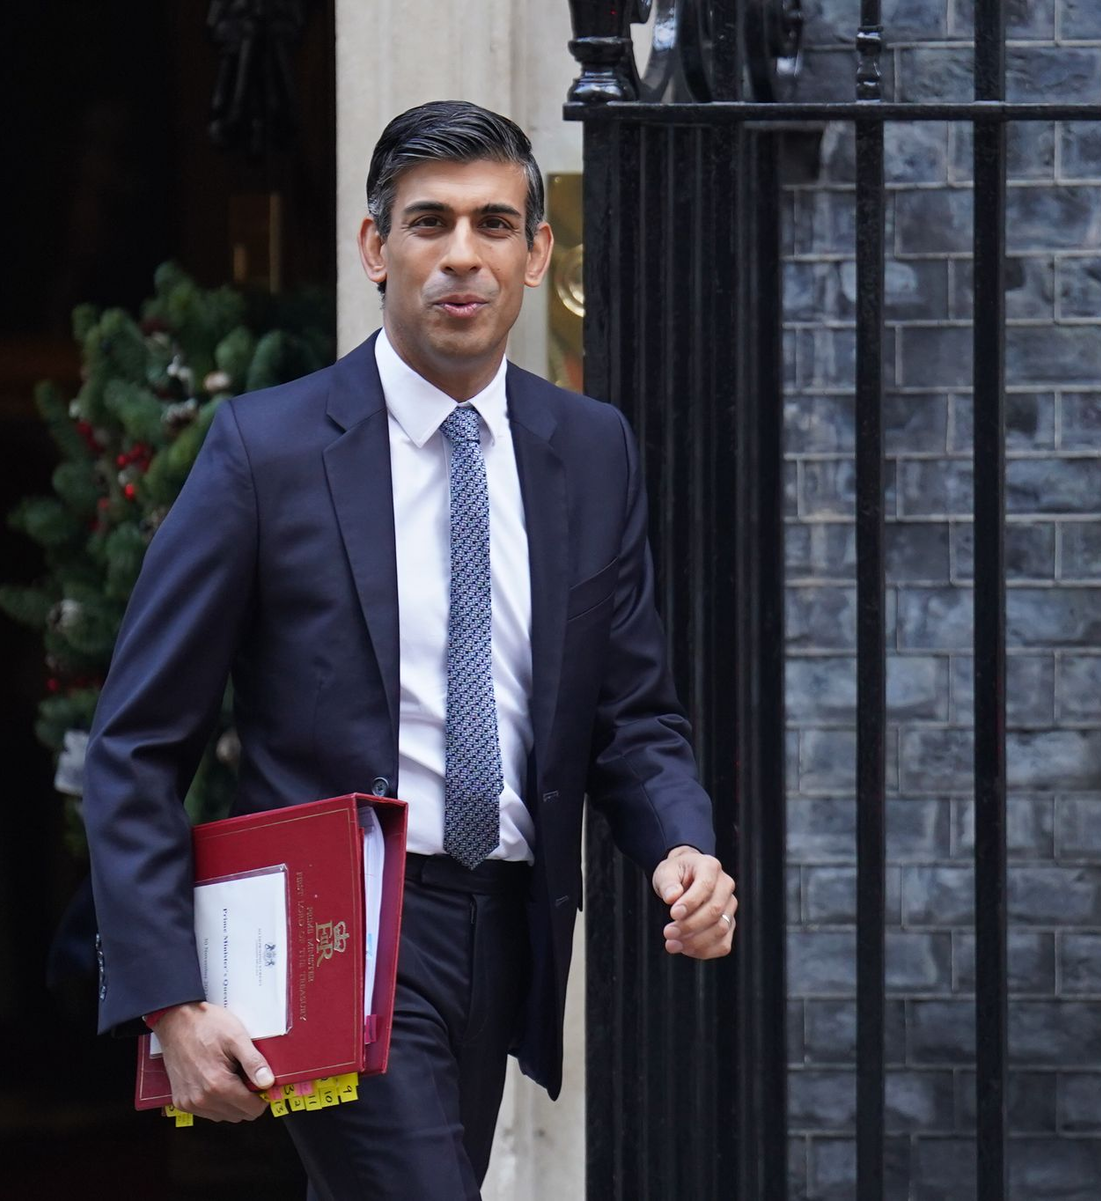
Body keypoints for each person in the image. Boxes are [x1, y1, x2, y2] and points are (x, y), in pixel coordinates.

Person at [83, 100, 736, 1200]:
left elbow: (633, 711)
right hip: (337, 929)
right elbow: (139, 741)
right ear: (377, 247)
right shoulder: (265, 451)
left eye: (493, 224)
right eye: (429, 223)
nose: (461, 256)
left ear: (537, 254)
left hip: (511, 927)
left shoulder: (592, 448)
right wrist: (172, 997)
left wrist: (681, 842)